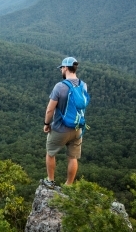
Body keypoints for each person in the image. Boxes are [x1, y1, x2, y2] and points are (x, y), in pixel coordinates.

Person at [42, 56, 88, 189]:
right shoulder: (83, 85)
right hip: (77, 128)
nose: (61, 70)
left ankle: (50, 181)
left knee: (50, 153)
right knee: (72, 157)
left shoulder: (60, 86)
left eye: (62, 68)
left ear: (66, 68)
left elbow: (50, 109)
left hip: (60, 129)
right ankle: (69, 186)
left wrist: (46, 124)